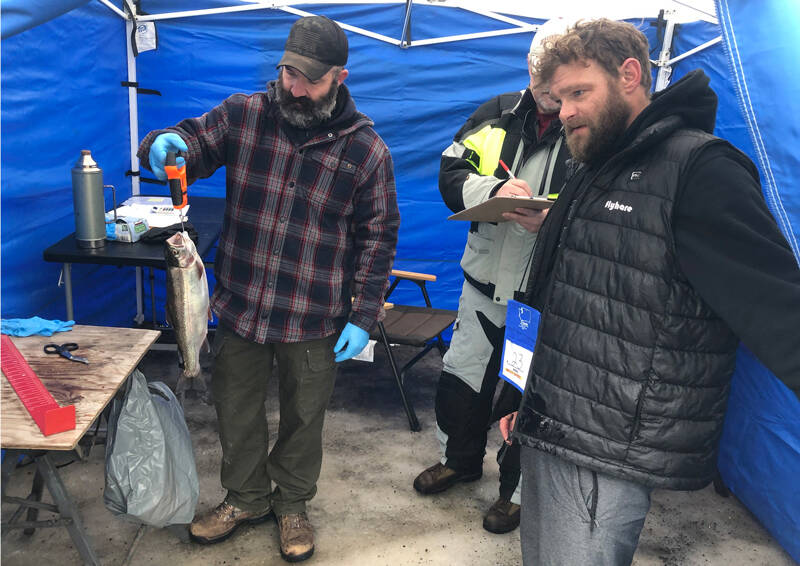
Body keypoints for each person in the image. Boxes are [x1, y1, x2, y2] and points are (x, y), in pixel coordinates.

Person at [498, 18, 800, 566]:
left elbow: (777, 303)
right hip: (547, 418)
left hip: (607, 445)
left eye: (578, 93)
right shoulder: (595, 164)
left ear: (631, 74)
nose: (564, 112)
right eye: (559, 98)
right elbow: (546, 286)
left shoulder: (701, 169)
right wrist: (514, 391)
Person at [138, 16, 399, 563]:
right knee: (236, 407)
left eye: (307, 78)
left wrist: (364, 314)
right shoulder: (244, 115)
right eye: (286, 72)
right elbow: (194, 142)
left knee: (304, 417)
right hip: (242, 304)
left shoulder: (366, 152)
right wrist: (165, 144)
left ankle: (293, 504)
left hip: (314, 315)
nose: (293, 86)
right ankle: (246, 499)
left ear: (338, 77)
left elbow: (377, 238)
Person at [412, 19, 571, 534]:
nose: (549, 92)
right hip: (482, 286)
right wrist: (489, 196)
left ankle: (516, 493)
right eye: (540, 78)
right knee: (461, 379)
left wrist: (554, 219)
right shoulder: (497, 114)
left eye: (559, 80)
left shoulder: (591, 127)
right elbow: (450, 171)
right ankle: (458, 462)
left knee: (529, 398)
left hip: (542, 300)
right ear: (528, 67)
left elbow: (609, 208)